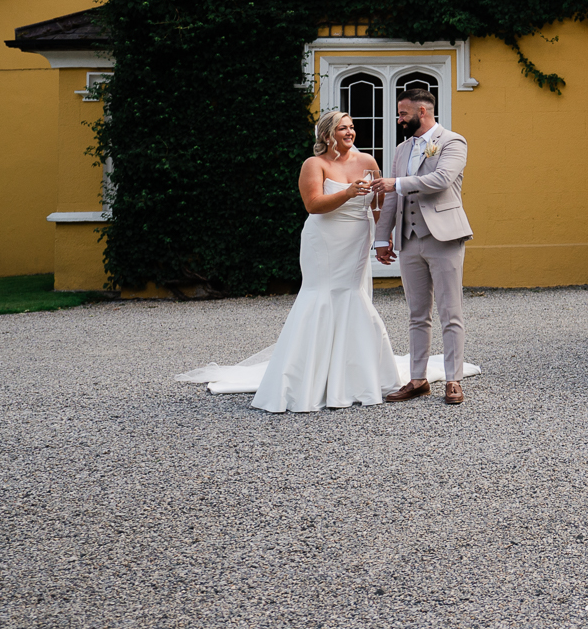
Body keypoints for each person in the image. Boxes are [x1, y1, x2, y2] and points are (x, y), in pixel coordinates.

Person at [175, 111, 402, 411]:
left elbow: (377, 204)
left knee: (351, 295)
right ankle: (308, 379)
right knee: (321, 295)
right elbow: (313, 204)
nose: (350, 133)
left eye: (352, 127)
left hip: (357, 238)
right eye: (342, 128)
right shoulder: (314, 164)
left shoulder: (368, 162)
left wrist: (381, 239)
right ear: (327, 135)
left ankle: (356, 377)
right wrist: (347, 192)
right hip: (324, 240)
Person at [375, 86, 478, 405]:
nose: (399, 118)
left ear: (422, 112)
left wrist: (398, 183)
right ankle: (417, 379)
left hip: (444, 237)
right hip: (410, 239)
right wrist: (382, 236)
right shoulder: (402, 149)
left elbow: (441, 181)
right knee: (417, 313)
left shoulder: (452, 141)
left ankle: (453, 380)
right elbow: (391, 196)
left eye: (403, 113)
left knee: (450, 311)